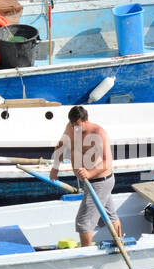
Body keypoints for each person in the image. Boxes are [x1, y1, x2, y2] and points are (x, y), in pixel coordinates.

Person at [49, 104, 122, 247]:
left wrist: (89, 173)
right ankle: (120, 243)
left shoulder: (98, 132)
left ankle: (86, 254)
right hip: (89, 182)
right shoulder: (70, 128)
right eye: (72, 124)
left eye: (77, 124)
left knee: (83, 222)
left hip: (100, 181)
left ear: (85, 120)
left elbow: (108, 162)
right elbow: (61, 146)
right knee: (109, 215)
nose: (74, 128)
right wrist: (55, 168)